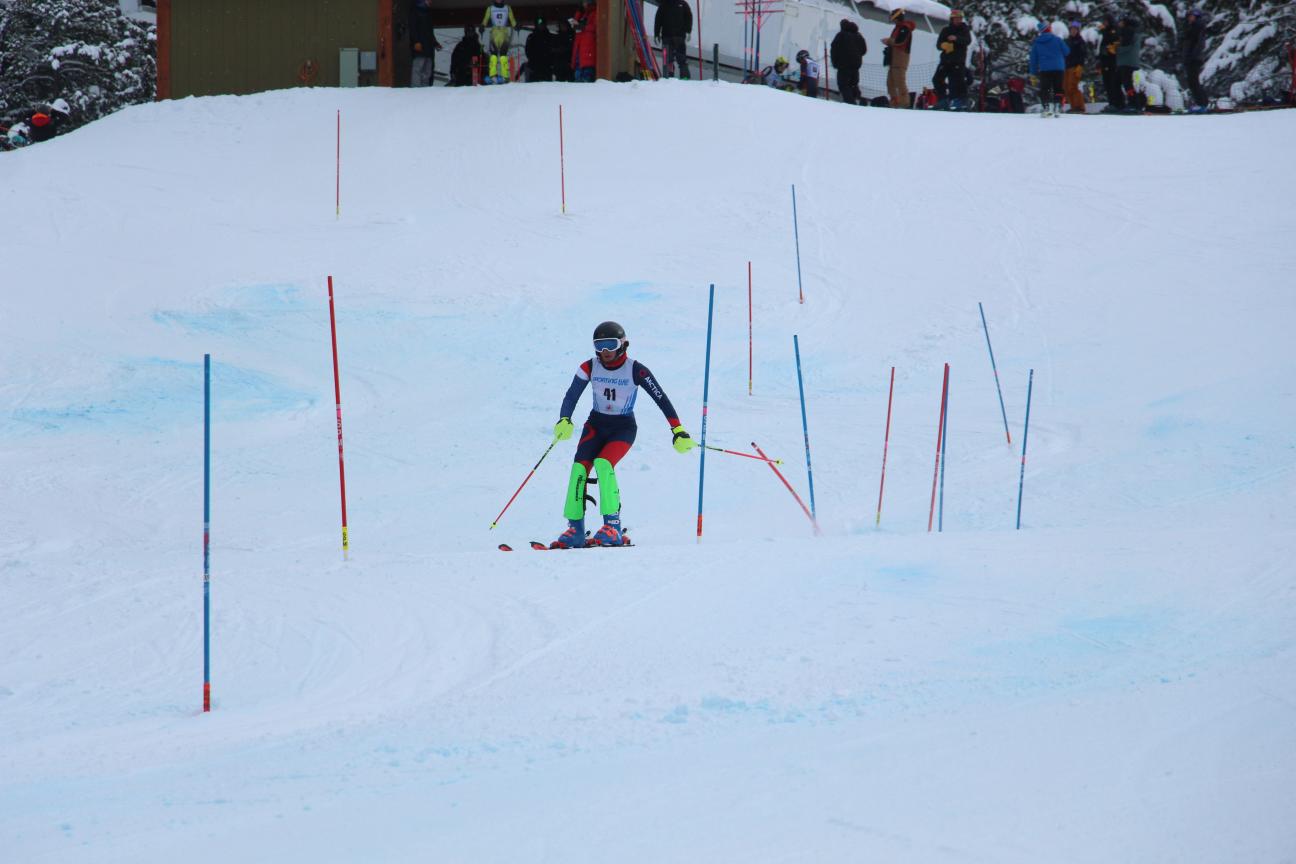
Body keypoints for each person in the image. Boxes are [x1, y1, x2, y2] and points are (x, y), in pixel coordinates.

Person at [550, 322, 695, 548]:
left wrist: (677, 429)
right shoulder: (589, 366)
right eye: (599, 345)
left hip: (622, 428)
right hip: (595, 426)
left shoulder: (636, 370)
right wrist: (564, 418)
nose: (605, 351)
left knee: (603, 464)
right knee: (578, 469)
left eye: (611, 344)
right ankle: (575, 529)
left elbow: (661, 398)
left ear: (623, 344)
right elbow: (571, 395)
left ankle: (612, 527)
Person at [932, 8, 972, 110]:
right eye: (956, 18)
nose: (958, 20)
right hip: (945, 60)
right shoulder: (946, 30)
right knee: (937, 79)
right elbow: (938, 44)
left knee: (956, 82)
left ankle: (960, 101)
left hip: (958, 61)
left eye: (960, 18)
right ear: (952, 19)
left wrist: (956, 39)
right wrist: (943, 45)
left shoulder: (964, 29)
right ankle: (943, 100)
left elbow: (967, 40)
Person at [1029, 20, 1068, 117]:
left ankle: (1046, 108)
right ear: (1049, 29)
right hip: (1058, 68)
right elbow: (1066, 51)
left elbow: (1033, 59)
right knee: (1058, 88)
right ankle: (1057, 107)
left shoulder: (1037, 43)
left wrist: (1033, 72)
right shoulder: (1058, 40)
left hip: (1045, 69)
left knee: (1045, 89)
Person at [881, 7, 915, 108]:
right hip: (894, 59)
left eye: (893, 18)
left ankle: (904, 103)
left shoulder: (905, 28)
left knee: (900, 82)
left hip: (900, 59)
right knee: (890, 83)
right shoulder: (898, 28)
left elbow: (900, 41)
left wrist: (888, 41)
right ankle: (894, 102)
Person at [829, 18, 867, 105]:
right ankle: (859, 100)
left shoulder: (841, 35)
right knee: (853, 85)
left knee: (844, 85)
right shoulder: (859, 36)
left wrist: (835, 62)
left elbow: (834, 48)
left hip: (843, 66)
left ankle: (850, 104)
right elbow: (864, 50)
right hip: (856, 66)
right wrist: (856, 55)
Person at [654, 0, 693, 80]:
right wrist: (688, 31)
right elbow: (689, 17)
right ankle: (684, 77)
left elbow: (658, 20)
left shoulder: (664, 4)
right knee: (680, 58)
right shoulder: (683, 4)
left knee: (668, 59)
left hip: (668, 36)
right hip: (677, 36)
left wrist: (656, 34)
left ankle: (669, 77)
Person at [481, 0, 517, 83]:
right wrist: (482, 26)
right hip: (494, 33)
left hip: (504, 33)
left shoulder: (507, 8)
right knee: (493, 55)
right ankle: (492, 75)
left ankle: (505, 75)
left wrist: (516, 25)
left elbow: (512, 20)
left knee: (503, 55)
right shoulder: (490, 8)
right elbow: (485, 20)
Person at [1182, 8, 1209, 110]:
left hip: (1194, 59)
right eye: (1189, 17)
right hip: (1191, 58)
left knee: (1193, 81)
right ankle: (1202, 103)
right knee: (1192, 81)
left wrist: (1192, 56)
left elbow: (1200, 44)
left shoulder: (1198, 27)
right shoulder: (1192, 27)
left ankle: (1201, 104)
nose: (1190, 18)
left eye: (1191, 16)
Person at [409, 0, 441, 87]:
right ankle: (416, 89)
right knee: (418, 69)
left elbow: (429, 32)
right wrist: (416, 41)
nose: (431, 2)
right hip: (420, 47)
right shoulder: (415, 11)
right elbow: (413, 28)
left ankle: (425, 90)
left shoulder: (428, 13)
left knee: (427, 71)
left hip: (429, 48)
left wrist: (435, 43)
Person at [1116, 14, 1142, 113]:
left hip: (1127, 62)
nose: (1119, 24)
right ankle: (1132, 103)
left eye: (1120, 22)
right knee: (1126, 83)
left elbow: (1127, 46)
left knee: (1127, 84)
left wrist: (1117, 49)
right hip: (1128, 61)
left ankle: (1133, 103)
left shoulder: (1128, 31)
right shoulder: (1133, 31)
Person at [1097, 15, 1123, 112]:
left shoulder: (1113, 30)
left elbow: (1112, 39)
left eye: (1106, 21)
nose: (1104, 23)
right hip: (1105, 61)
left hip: (1112, 61)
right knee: (1107, 83)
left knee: (1113, 84)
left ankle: (1117, 103)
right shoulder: (1105, 32)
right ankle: (1112, 103)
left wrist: (1104, 31)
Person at [1062, 20, 1087, 113]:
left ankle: (1079, 106)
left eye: (1075, 29)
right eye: (1072, 29)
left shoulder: (1080, 41)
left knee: (1072, 86)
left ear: (1078, 30)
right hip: (1067, 66)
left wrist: (1080, 65)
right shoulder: (1067, 41)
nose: (1073, 31)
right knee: (1066, 87)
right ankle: (1073, 106)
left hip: (1075, 66)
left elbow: (1083, 54)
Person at [571, 10, 597, 82]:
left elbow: (595, 26)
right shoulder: (582, 13)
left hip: (587, 55)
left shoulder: (594, 13)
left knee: (585, 76)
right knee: (578, 75)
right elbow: (574, 24)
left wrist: (583, 27)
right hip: (580, 54)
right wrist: (579, 12)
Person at [526, 17, 553, 82]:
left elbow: (552, 50)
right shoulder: (531, 37)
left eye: (542, 24)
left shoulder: (549, 36)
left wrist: (551, 63)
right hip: (534, 66)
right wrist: (532, 61)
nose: (540, 26)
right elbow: (528, 50)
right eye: (539, 24)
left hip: (547, 66)